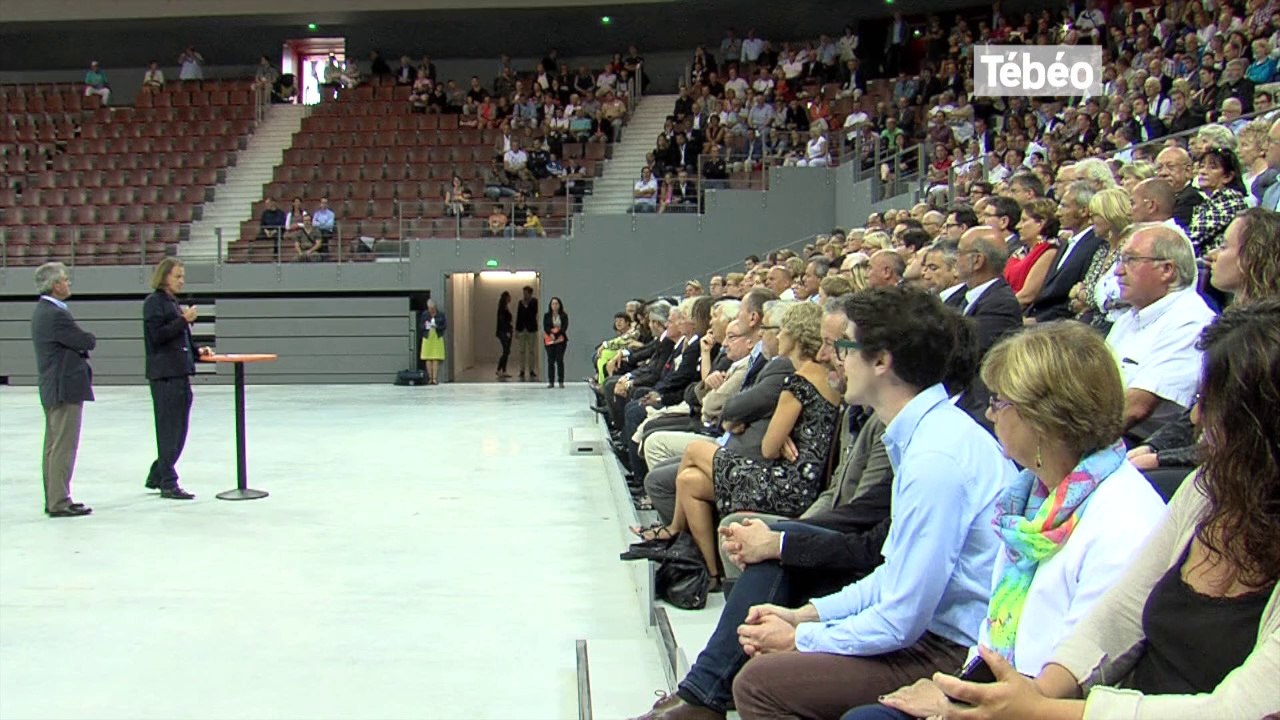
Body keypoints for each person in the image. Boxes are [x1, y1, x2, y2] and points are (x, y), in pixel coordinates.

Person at [926, 300, 1280, 719]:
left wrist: (1039, 710)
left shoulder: (1125, 514)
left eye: (1214, 402)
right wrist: (1031, 693)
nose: (1196, 416)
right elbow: (1120, 613)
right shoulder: (1207, 489)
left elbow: (1239, 710)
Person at [842, 322, 1167, 720]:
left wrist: (956, 701)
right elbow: (996, 631)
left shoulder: (1125, 519)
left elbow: (1084, 666)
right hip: (997, 687)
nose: (989, 413)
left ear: (1042, 417)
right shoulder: (1030, 496)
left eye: (999, 402)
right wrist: (959, 686)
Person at [728, 287, 1019, 720]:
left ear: (881, 361)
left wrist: (800, 638)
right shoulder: (928, 436)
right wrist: (805, 616)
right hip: (936, 633)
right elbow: (893, 576)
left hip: (959, 650)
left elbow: (903, 617)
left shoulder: (936, 458)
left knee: (759, 685)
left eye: (844, 346)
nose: (832, 358)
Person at [31, 262, 95, 517]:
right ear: (56, 285)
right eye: (65, 279)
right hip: (64, 386)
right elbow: (83, 340)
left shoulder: (43, 311)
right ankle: (59, 501)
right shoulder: (56, 314)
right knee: (64, 446)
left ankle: (55, 497)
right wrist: (87, 340)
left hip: (53, 385)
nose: (68, 283)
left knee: (53, 445)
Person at [143, 259, 208, 500]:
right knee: (169, 430)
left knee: (179, 430)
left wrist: (198, 351)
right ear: (164, 277)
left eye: (182, 276)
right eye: (177, 276)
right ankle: (168, 482)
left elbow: (181, 337)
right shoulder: (154, 303)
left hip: (179, 373)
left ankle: (158, 474)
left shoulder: (172, 302)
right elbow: (157, 336)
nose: (182, 281)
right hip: (165, 375)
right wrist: (184, 320)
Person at [419, 299, 447, 386]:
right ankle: (430, 378)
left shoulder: (440, 315)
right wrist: (425, 326)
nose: (431, 310)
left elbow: (444, 326)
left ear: (435, 307)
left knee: (435, 358)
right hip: (427, 337)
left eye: (432, 308)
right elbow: (421, 326)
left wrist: (437, 326)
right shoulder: (425, 314)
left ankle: (434, 379)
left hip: (437, 337)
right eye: (429, 308)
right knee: (427, 358)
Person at [543, 297, 569, 388]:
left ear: (559, 305)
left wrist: (557, 334)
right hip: (549, 340)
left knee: (559, 360)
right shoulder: (547, 315)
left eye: (556, 303)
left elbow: (564, 327)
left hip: (560, 340)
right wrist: (551, 334)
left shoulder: (564, 315)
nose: (554, 305)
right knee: (550, 361)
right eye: (553, 304)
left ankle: (561, 381)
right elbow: (546, 326)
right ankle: (551, 382)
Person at [515, 285, 539, 381]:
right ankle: (522, 370)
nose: (524, 295)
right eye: (523, 293)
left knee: (531, 351)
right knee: (522, 351)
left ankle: (531, 370)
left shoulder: (534, 302)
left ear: (530, 293)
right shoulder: (520, 303)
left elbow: (534, 313)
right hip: (522, 329)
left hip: (531, 329)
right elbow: (518, 316)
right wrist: (517, 329)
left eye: (526, 293)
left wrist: (528, 305)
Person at [495, 291, 513, 379]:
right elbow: (502, 321)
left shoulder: (504, 307)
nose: (510, 298)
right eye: (509, 297)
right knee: (506, 351)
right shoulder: (502, 308)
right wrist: (507, 331)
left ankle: (503, 370)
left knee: (507, 351)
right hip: (504, 332)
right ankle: (499, 369)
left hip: (505, 331)